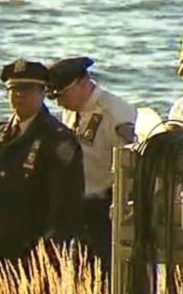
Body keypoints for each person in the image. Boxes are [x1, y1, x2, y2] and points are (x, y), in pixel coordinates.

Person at [0, 59, 84, 274]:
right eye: (14, 90)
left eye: (28, 89)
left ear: (42, 93)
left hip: (31, 255)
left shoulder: (57, 140)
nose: (19, 95)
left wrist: (51, 254)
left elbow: (64, 205)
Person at [47, 56, 136, 274]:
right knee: (82, 275)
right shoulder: (73, 110)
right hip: (78, 204)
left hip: (105, 208)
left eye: (61, 95)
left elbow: (131, 167)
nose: (59, 103)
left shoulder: (115, 113)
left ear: (82, 84)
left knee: (107, 277)